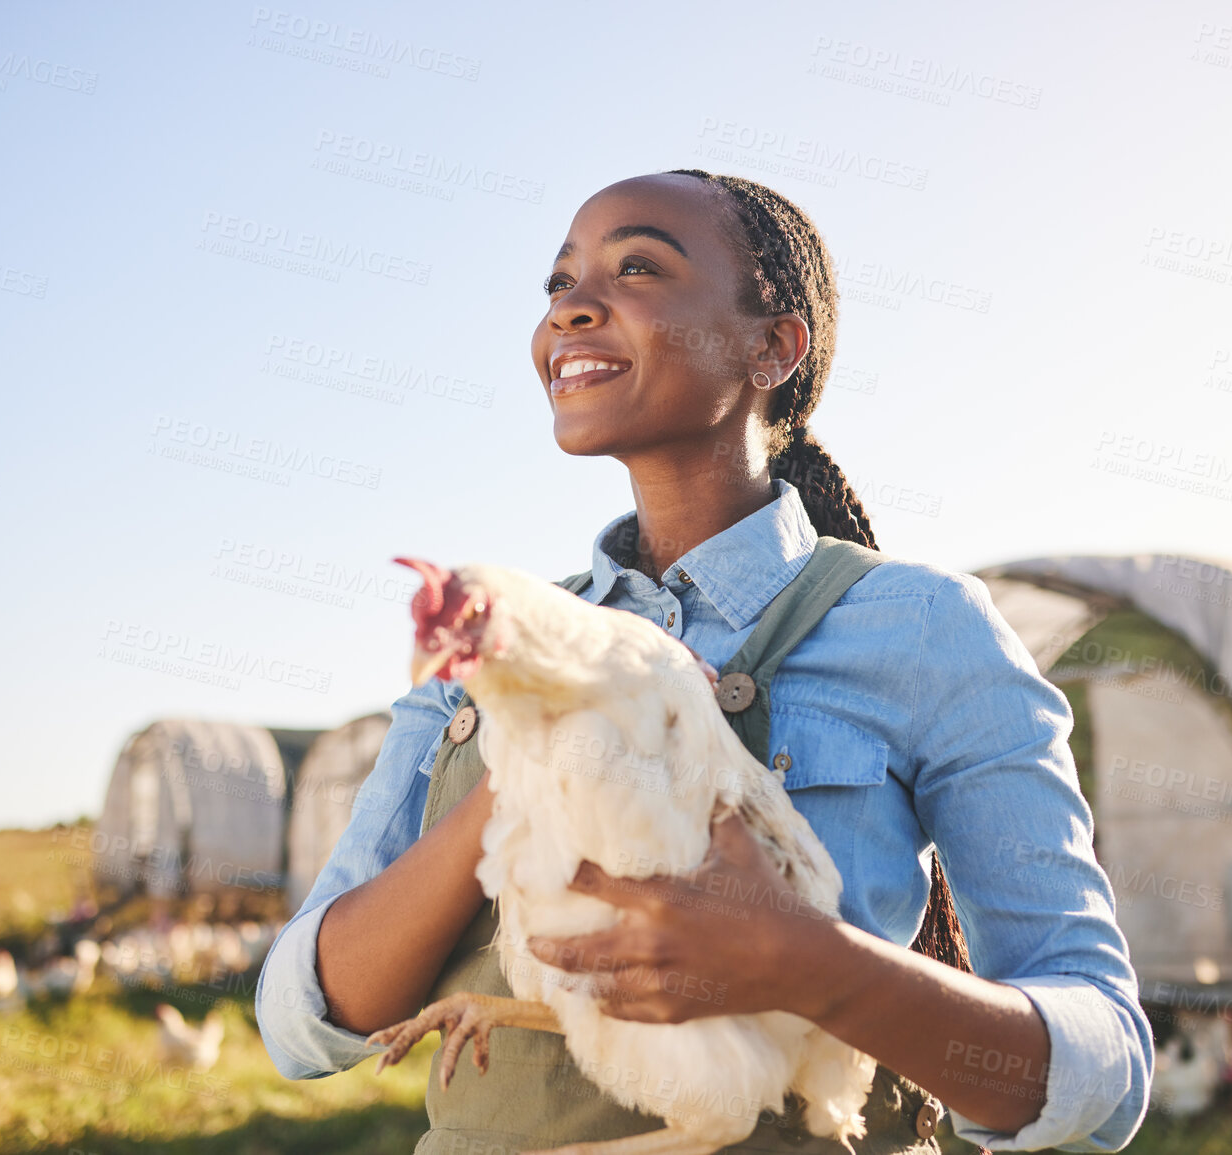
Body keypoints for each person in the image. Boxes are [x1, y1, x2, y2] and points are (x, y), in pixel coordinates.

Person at [257, 171, 1152, 1151]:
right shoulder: (497, 648)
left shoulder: (920, 625)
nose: (572, 306)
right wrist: (537, 763)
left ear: (772, 345)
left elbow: (1102, 1075)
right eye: (557, 284)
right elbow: (303, 1023)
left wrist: (821, 968)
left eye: (637, 266)